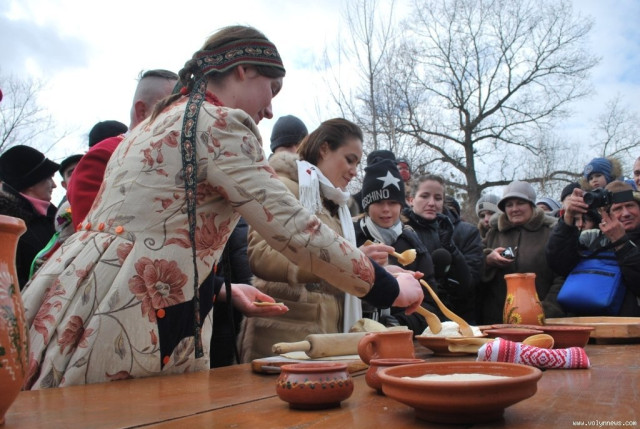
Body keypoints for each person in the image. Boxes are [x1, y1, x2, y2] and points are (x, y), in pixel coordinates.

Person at [21, 26, 422, 389]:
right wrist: (389, 287)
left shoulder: (153, 125)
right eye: (272, 89)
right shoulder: (220, 124)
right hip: (134, 311)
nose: (269, 109)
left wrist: (217, 289)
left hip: (74, 293)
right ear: (243, 70)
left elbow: (147, 234)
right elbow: (297, 230)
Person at [238, 118, 396, 361]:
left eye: (357, 163)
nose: (355, 171)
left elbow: (333, 271)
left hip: (324, 340)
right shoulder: (283, 187)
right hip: (284, 338)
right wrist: (348, 262)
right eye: (349, 159)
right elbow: (261, 256)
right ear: (324, 149)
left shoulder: (336, 204)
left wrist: (373, 269)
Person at [67, 69, 178, 226]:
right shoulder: (104, 156)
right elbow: (91, 229)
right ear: (142, 111)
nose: (183, 117)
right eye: (173, 109)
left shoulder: (176, 155)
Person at [353, 157, 439, 334]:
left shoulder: (414, 244)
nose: (386, 209)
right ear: (366, 205)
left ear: (401, 205)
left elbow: (430, 303)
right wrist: (356, 261)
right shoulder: (350, 236)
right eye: (378, 202)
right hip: (351, 334)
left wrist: (399, 323)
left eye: (392, 202)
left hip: (399, 338)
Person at [546, 181, 640, 316]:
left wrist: (621, 242)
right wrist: (568, 218)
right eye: (617, 209)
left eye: (630, 206)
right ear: (605, 214)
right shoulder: (591, 239)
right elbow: (558, 264)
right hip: (590, 322)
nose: (626, 213)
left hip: (632, 325)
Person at [480, 180, 565, 324]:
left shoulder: (550, 233)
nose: (514, 209)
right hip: (497, 322)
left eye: (520, 203)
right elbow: (474, 267)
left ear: (532, 205)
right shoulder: (493, 234)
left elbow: (561, 277)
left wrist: (546, 310)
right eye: (509, 205)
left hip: (541, 321)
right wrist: (488, 260)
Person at [404, 174, 481, 324]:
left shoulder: (455, 233)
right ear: (411, 200)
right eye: (425, 196)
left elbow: (467, 284)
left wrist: (451, 248)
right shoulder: (399, 231)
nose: (431, 203)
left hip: (449, 321)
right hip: (411, 317)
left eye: (438, 198)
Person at [0, 145, 59, 289]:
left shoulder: (55, 217)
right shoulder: (8, 228)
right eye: (49, 178)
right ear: (32, 182)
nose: (54, 185)